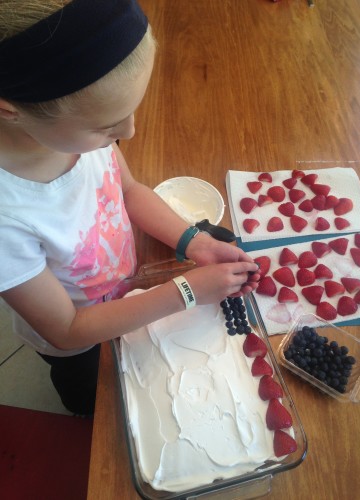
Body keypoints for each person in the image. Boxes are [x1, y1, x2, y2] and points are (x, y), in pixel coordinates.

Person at [0, 0, 260, 416]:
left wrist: (194, 242)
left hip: (127, 289)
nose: (129, 132)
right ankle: (82, 412)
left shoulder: (75, 138)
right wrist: (187, 291)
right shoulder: (7, 220)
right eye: (108, 126)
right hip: (78, 341)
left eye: (129, 113)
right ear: (10, 110)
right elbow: (68, 330)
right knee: (93, 397)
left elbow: (130, 190)